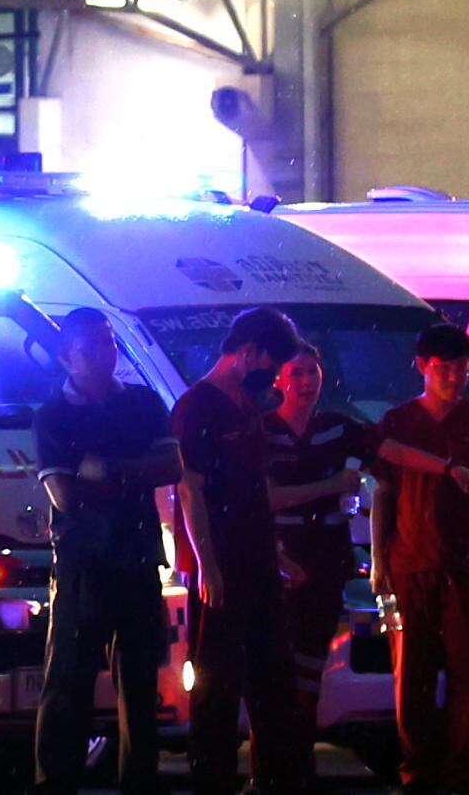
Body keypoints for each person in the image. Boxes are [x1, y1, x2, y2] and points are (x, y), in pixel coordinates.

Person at [35, 309, 182, 795]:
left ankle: (139, 781)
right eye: (94, 346)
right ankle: (57, 783)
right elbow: (65, 494)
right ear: (66, 357)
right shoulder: (53, 415)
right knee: (68, 685)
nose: (107, 353)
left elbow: (172, 466)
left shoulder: (141, 402)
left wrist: (109, 470)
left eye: (111, 342)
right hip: (84, 566)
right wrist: (134, 472)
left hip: (137, 558)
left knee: (139, 687)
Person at [371, 318, 469, 793]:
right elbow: (383, 495)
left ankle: (462, 773)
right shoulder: (399, 423)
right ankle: (417, 770)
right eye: (444, 368)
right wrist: (379, 561)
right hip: (410, 564)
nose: (455, 377)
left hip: (468, 565)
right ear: (421, 366)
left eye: (462, 368)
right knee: (411, 673)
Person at [176, 310, 312, 795]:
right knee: (217, 687)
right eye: (271, 365)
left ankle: (275, 780)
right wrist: (207, 565)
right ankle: (212, 781)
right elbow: (190, 490)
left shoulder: (248, 406)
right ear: (248, 351)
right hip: (221, 566)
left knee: (273, 681)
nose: (273, 379)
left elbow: (255, 489)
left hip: (257, 562)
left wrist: (275, 554)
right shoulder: (198, 408)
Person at [275, 341, 379, 737]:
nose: (306, 381)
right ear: (278, 378)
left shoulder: (338, 427)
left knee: (315, 654)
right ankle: (280, 748)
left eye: (312, 372)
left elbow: (380, 451)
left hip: (328, 553)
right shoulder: (265, 431)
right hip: (282, 552)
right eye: (296, 372)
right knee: (280, 657)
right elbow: (265, 497)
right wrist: (330, 485)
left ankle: (301, 745)